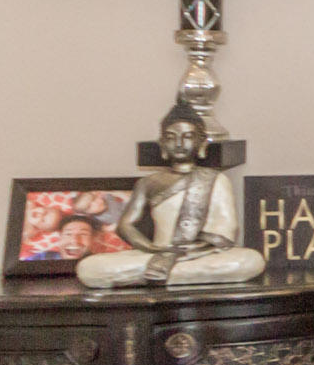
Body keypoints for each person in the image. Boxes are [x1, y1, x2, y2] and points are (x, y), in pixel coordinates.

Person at [76, 104, 265, 288]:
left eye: (188, 137)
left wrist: (189, 249)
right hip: (157, 252)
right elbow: (125, 225)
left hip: (198, 255)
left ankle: (157, 274)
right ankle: (173, 273)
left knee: (249, 261)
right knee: (88, 269)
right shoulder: (148, 183)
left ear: (202, 142)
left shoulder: (216, 179)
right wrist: (152, 248)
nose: (180, 144)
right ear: (162, 144)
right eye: (171, 138)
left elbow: (226, 230)